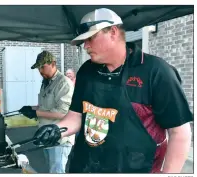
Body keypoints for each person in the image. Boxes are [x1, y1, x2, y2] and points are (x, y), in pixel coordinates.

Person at [32, 8, 193, 173]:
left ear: (113, 32)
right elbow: (76, 116)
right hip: (85, 166)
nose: (86, 45)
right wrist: (58, 130)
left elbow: (179, 133)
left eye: (90, 38)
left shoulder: (156, 71)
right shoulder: (87, 71)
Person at [19, 50, 75, 173]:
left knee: (56, 172)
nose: (40, 71)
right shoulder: (46, 83)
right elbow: (44, 107)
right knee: (51, 171)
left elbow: (64, 113)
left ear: (53, 64)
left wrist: (37, 113)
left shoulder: (63, 83)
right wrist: (31, 109)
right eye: (38, 68)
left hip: (60, 138)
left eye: (43, 67)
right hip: (46, 136)